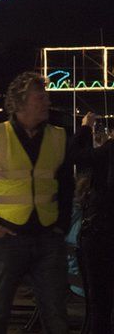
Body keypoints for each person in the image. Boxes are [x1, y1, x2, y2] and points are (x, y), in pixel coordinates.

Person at [0, 72, 81, 334]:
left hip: (47, 236)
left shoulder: (58, 136)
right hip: (7, 236)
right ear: (19, 103)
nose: (46, 102)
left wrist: (61, 224)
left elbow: (66, 185)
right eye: (39, 97)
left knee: (55, 312)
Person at [72, 112, 114, 334]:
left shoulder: (108, 151)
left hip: (100, 233)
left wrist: (85, 128)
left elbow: (76, 155)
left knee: (99, 306)